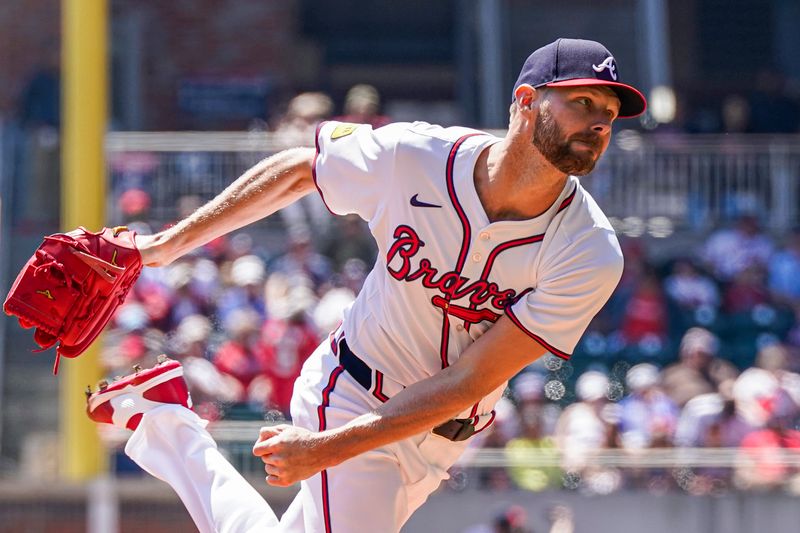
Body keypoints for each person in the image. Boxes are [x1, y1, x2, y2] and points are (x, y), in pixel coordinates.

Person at [86, 38, 646, 532]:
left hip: (438, 434)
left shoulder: (589, 250)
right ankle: (167, 425)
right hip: (354, 393)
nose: (600, 120)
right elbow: (300, 169)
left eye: (610, 110)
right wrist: (162, 247)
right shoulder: (417, 156)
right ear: (525, 102)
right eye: (582, 101)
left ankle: (167, 422)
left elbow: (470, 379)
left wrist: (326, 452)